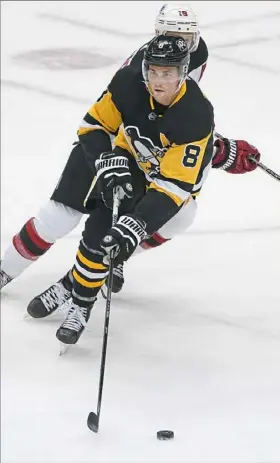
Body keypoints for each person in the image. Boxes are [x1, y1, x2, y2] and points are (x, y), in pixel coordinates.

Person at [0, 2, 260, 301]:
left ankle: (100, 265)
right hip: (109, 150)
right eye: (171, 33)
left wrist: (207, 144)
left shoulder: (196, 54)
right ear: (157, 34)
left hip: (144, 160)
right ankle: (7, 268)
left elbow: (176, 118)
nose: (180, 42)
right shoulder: (141, 70)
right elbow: (135, 125)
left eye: (186, 36)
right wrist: (215, 151)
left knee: (180, 215)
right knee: (58, 217)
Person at [32, 34, 216, 344]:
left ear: (183, 73)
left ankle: (71, 285)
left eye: (167, 73)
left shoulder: (196, 114)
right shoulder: (128, 82)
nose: (158, 81)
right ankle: (81, 304)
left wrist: (139, 222)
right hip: (129, 163)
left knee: (122, 240)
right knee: (99, 232)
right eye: (153, 71)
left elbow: (172, 187)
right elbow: (92, 126)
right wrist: (105, 158)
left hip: (171, 189)